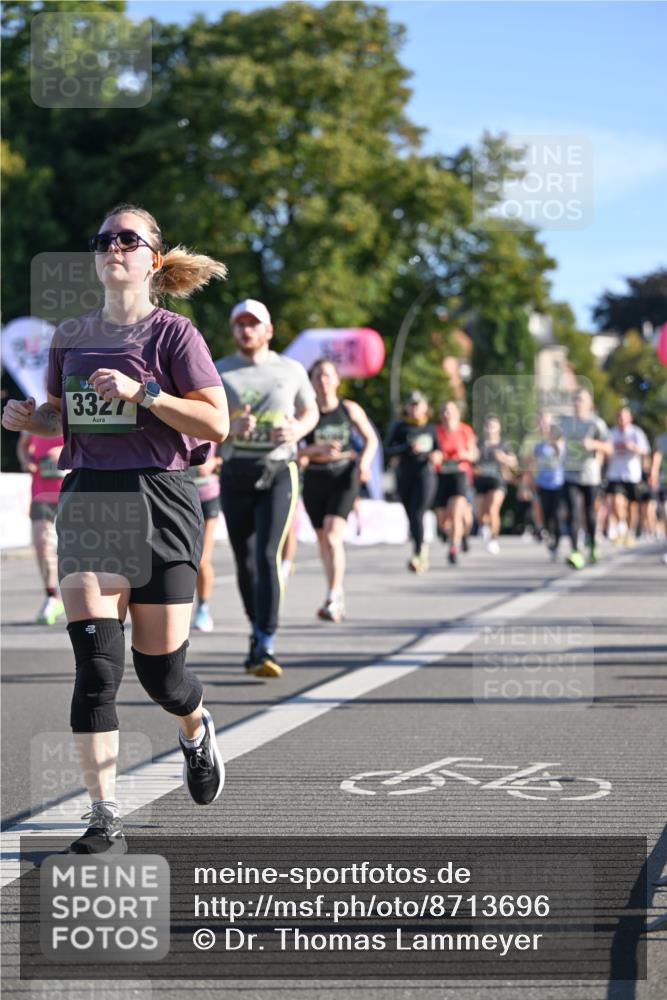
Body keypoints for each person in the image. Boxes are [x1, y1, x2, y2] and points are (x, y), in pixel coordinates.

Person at [2, 203, 229, 854]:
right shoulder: (70, 335)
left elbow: (215, 425)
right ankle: (103, 812)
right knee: (97, 669)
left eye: (127, 239)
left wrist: (145, 394)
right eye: (103, 240)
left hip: (162, 497)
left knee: (163, 678)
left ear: (152, 259)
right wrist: (28, 418)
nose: (112, 248)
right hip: (90, 498)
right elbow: (60, 417)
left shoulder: (174, 337)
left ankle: (194, 727)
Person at [215, 299, 319, 677]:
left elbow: (311, 410)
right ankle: (256, 626)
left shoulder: (290, 370)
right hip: (236, 470)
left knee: (267, 554)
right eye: (240, 324)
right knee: (243, 560)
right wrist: (227, 426)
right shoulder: (219, 371)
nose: (246, 330)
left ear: (268, 330)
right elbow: (203, 418)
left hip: (279, 468)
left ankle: (266, 640)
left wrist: (298, 430)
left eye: (253, 324)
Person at [300, 358, 377, 621]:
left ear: (337, 380)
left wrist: (364, 462)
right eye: (318, 376)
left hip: (344, 475)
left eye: (328, 375)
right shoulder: (306, 412)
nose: (323, 381)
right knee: (323, 539)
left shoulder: (349, 409)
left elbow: (371, 439)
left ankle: (333, 594)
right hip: (314, 477)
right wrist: (315, 450)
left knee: (333, 535)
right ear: (311, 381)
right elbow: (293, 448)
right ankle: (335, 589)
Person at [385, 390, 438, 573]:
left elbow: (439, 449)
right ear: (407, 407)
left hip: (425, 474)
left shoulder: (430, 428)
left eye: (418, 404)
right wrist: (406, 448)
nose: (414, 408)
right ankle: (420, 544)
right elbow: (388, 448)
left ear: (425, 407)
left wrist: (436, 455)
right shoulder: (400, 427)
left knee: (418, 511)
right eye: (411, 405)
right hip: (405, 474)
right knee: (410, 513)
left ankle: (418, 552)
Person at [17, 430, 67, 623]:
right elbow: (23, 444)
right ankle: (52, 596)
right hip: (41, 492)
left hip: (73, 489)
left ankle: (83, 596)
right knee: (41, 542)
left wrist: (64, 450)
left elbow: (95, 444)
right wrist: (25, 460)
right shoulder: (36, 409)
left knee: (79, 546)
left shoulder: (75, 406)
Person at [559, 388, 612, 568]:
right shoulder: (566, 423)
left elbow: (609, 448)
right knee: (573, 512)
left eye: (581, 400)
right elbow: (555, 438)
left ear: (589, 403)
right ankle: (575, 552)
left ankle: (593, 546)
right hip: (570, 473)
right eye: (575, 399)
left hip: (590, 475)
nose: (577, 403)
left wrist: (593, 444)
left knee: (589, 513)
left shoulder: (596, 423)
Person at [434, 401, 477, 564]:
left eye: (450, 411)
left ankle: (453, 548)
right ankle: (453, 534)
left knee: (456, 514)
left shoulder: (465, 430)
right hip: (441, 475)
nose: (447, 414)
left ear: (457, 414)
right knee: (442, 519)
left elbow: (473, 455)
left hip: (460, 475)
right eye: (444, 411)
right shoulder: (436, 431)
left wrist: (463, 454)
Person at [605, 406, 650, 547]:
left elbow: (645, 451)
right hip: (615, 474)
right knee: (617, 502)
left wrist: (634, 447)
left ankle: (630, 533)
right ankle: (621, 528)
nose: (621, 419)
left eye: (624, 416)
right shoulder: (611, 433)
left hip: (632, 475)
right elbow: (605, 450)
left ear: (629, 418)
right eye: (619, 416)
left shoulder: (636, 432)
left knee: (632, 506)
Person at [473, 415, 517, 554]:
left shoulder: (504, 444)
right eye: (488, 426)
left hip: (497, 481)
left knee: (493, 509)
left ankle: (493, 539)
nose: (490, 429)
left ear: (499, 428)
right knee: (480, 513)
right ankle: (484, 526)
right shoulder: (478, 443)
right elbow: (471, 459)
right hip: (481, 481)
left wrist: (503, 457)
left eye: (493, 426)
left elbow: (514, 462)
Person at [190, 450, 223, 631]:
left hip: (207, 495)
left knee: (202, 558)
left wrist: (215, 462)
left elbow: (228, 448)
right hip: (178, 494)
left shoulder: (214, 421)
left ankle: (203, 608)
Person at [531, 411, 565, 560]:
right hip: (543, 484)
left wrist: (555, 443)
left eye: (547, 422)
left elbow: (563, 459)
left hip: (558, 483)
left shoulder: (561, 441)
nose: (544, 426)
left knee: (557, 515)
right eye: (542, 422)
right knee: (546, 514)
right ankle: (550, 539)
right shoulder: (538, 445)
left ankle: (556, 542)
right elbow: (533, 464)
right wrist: (531, 481)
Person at [649, 416, 667, 563]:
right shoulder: (661, 439)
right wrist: (653, 475)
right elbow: (657, 458)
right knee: (666, 511)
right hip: (665, 481)